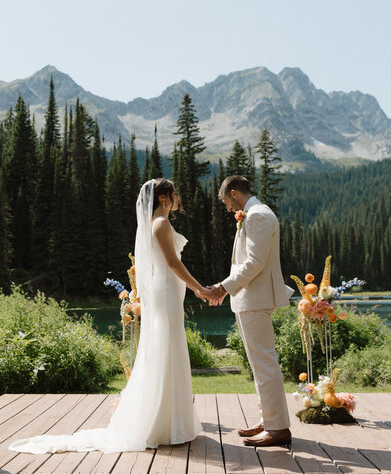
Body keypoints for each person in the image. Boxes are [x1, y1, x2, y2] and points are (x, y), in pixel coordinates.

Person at [9, 178, 206, 454]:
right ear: (162, 198)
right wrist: (200, 288)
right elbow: (173, 263)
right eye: (174, 194)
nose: (178, 198)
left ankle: (171, 422)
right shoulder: (160, 224)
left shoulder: (159, 223)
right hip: (165, 293)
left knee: (167, 348)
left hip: (167, 293)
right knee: (167, 348)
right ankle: (165, 424)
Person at [207, 175, 294, 447]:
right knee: (259, 365)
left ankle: (278, 429)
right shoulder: (256, 213)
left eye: (227, 202)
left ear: (234, 193)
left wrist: (223, 287)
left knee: (265, 363)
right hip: (250, 299)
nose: (228, 209)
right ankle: (268, 420)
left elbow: (254, 263)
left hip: (255, 299)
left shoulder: (257, 216)